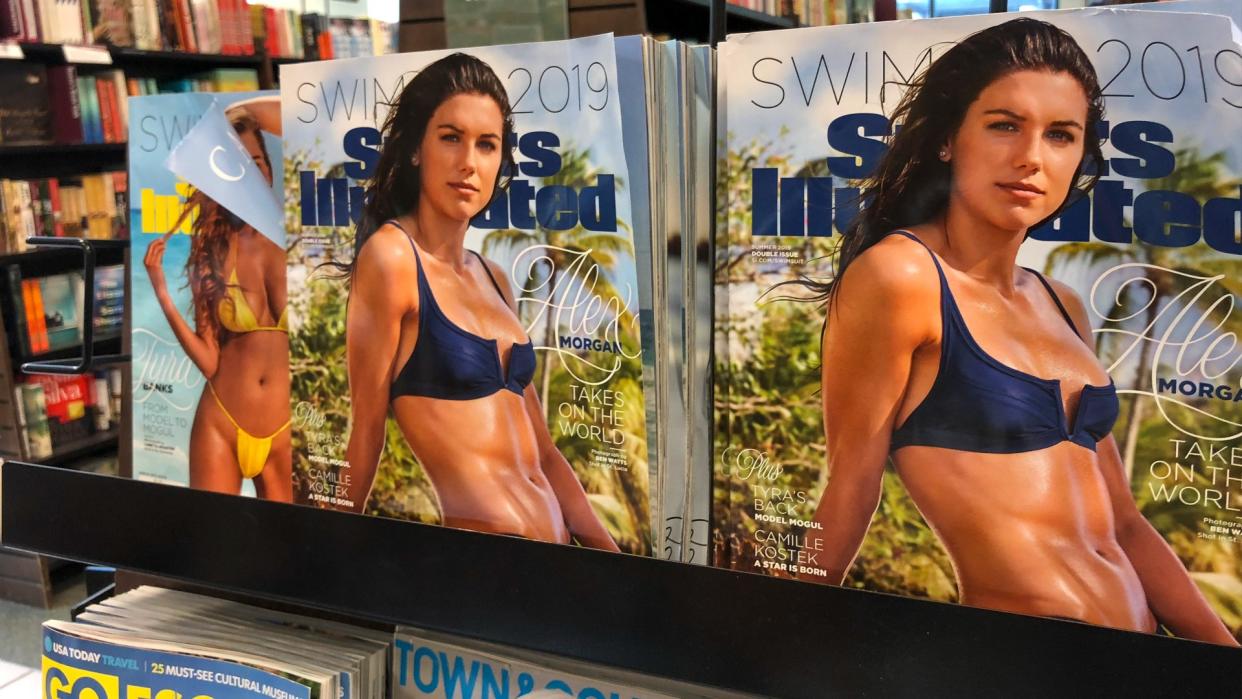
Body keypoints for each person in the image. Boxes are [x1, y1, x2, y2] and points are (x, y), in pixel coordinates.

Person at [800, 18, 1237, 645]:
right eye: (1004, 125)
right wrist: (773, 641)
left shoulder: (1061, 303)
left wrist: (1224, 659)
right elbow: (851, 484)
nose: (1031, 157)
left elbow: (1127, 525)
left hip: (1139, 659)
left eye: (1060, 135)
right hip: (1018, 662)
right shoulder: (902, 277)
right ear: (949, 138)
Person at [340, 53, 618, 551]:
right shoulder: (391, 258)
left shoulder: (493, 278)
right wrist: (325, 556)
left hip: (554, 562)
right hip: (480, 567)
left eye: (486, 145)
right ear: (416, 150)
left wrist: (617, 567)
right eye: (451, 137)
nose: (469, 162)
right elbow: (365, 435)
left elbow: (547, 457)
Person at [143, 97, 291, 502]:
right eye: (237, 162)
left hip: (286, 429)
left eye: (258, 160)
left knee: (289, 554)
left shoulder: (302, 240)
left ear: (270, 168)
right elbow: (210, 361)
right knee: (210, 554)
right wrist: (160, 291)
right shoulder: (212, 251)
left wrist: (240, 111)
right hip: (220, 422)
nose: (252, 170)